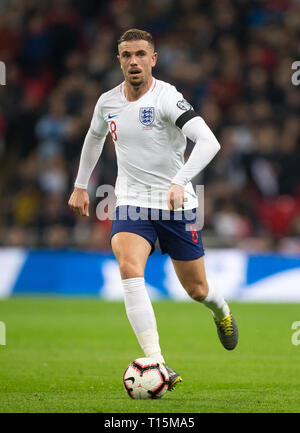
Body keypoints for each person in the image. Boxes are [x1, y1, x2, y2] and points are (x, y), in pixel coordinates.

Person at [68, 28, 238, 391]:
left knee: (197, 289)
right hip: (130, 201)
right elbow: (95, 137)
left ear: (153, 59)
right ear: (119, 60)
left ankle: (221, 310)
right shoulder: (107, 102)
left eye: (141, 54)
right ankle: (157, 362)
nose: (134, 61)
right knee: (130, 268)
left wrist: (180, 180)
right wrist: (81, 185)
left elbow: (210, 142)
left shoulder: (167, 99)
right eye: (127, 55)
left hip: (176, 205)